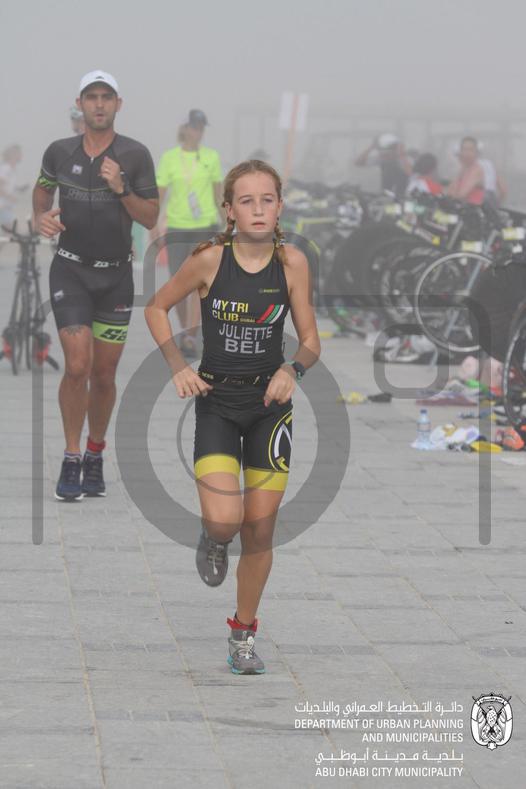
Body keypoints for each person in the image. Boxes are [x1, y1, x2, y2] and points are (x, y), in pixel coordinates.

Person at [145, 160, 320, 674]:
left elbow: (311, 340)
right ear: (229, 211)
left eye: (267, 199)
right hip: (218, 403)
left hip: (270, 410)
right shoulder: (208, 260)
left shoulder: (292, 264)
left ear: (280, 206)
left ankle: (242, 634)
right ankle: (213, 537)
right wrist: (178, 366)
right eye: (247, 201)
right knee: (226, 521)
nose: (258, 209)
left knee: (259, 531)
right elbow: (156, 307)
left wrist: (293, 369)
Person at [32, 70, 159, 501]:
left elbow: (150, 217)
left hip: (116, 277)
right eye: (92, 97)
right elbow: (42, 192)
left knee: (104, 376)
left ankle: (95, 452)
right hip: (70, 271)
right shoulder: (59, 152)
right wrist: (41, 218)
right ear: (80, 104)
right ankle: (71, 457)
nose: (99, 104)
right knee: (77, 366)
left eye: (107, 97)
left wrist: (121, 188)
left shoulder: (135, 155)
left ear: (118, 104)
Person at [153, 110, 224, 360]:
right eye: (194, 127)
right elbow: (160, 195)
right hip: (177, 228)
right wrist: (153, 225)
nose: (198, 132)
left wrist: (229, 225)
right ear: (184, 128)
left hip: (204, 226)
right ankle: (187, 330)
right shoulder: (170, 158)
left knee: (198, 283)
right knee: (178, 284)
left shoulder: (211, 157)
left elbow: (218, 195)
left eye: (201, 127)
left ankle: (192, 336)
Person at [355, 133, 412, 198]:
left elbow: (410, 173)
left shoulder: (405, 159)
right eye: (383, 154)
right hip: (387, 196)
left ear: (394, 151)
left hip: (405, 196)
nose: (385, 157)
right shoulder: (382, 159)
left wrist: (401, 155)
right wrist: (371, 148)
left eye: (387, 154)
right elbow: (358, 163)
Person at [447, 136, 485, 204]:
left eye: (471, 150)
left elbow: (461, 194)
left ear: (476, 152)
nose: (467, 153)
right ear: (461, 151)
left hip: (471, 209)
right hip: (460, 207)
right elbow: (450, 192)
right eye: (464, 149)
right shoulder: (463, 169)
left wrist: (452, 194)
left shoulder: (476, 170)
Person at [0, 145, 23, 228]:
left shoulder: (11, 169)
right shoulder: (6, 168)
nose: (21, 155)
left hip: (6, 206)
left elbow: (7, 186)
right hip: (2, 206)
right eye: (19, 153)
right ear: (13, 155)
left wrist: (18, 189)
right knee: (12, 229)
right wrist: (10, 197)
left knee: (10, 230)